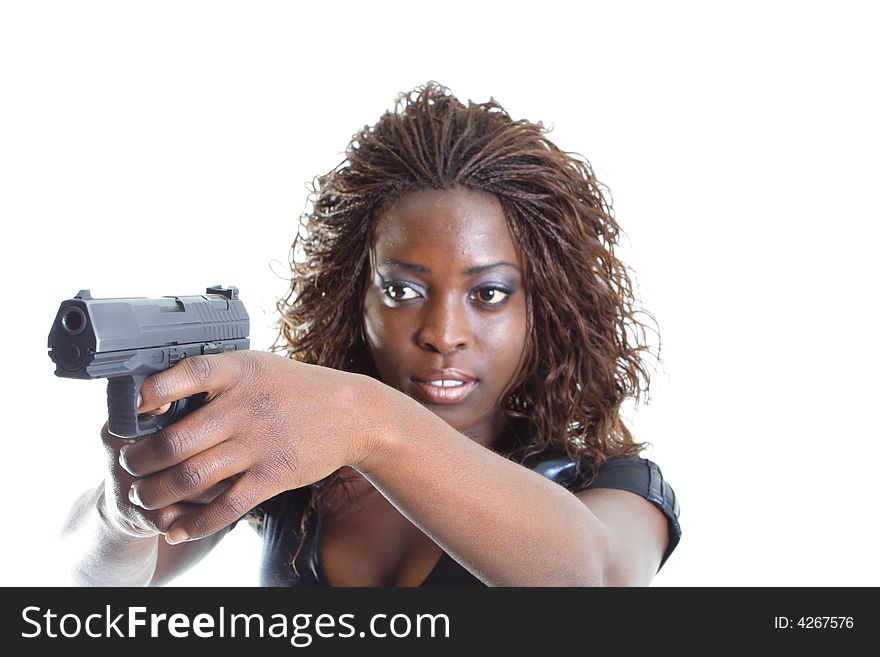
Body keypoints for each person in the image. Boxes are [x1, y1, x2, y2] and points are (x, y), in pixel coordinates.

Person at [60, 81, 681, 587]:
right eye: (402, 291)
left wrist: (366, 419)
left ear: (544, 307)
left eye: (489, 294)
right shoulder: (294, 458)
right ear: (352, 296)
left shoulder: (610, 487)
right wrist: (124, 514)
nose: (442, 334)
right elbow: (87, 591)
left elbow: (593, 581)